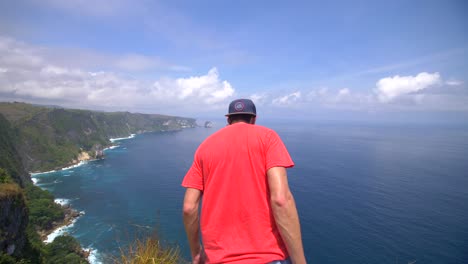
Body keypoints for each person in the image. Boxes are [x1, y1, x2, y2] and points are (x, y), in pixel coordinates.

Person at [182, 99, 306, 264]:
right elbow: (281, 200)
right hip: (268, 257)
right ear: (254, 119)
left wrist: (197, 253)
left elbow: (189, 208)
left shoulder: (204, 147)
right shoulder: (268, 138)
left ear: (228, 120)